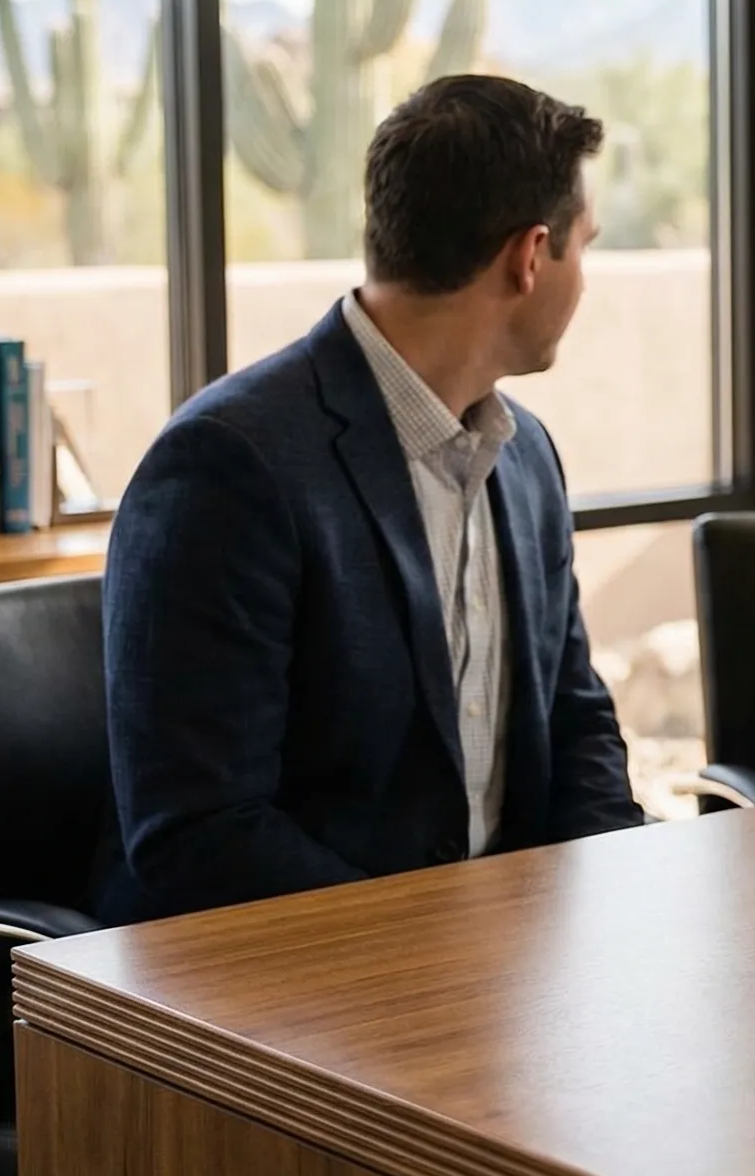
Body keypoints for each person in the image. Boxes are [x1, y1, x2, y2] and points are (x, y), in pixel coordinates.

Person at [94, 75, 643, 923]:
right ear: (530, 257)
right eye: (586, 245)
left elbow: (575, 726)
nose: (585, 276)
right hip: (304, 987)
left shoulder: (526, 457)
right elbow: (201, 833)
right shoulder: (227, 465)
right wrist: (433, 946)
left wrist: (618, 910)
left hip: (512, 970)